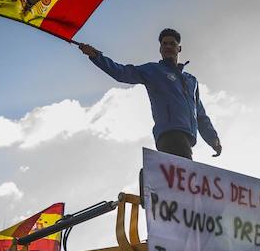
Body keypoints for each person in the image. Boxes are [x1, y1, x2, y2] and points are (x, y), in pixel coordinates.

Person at [78, 28, 222, 160]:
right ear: (160, 49)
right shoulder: (153, 71)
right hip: (169, 134)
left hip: (188, 137)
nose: (168, 47)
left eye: (172, 44)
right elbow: (121, 72)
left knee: (179, 180)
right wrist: (97, 56)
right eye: (164, 44)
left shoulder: (191, 81)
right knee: (183, 176)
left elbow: (201, 115)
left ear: (179, 48)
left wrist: (213, 139)